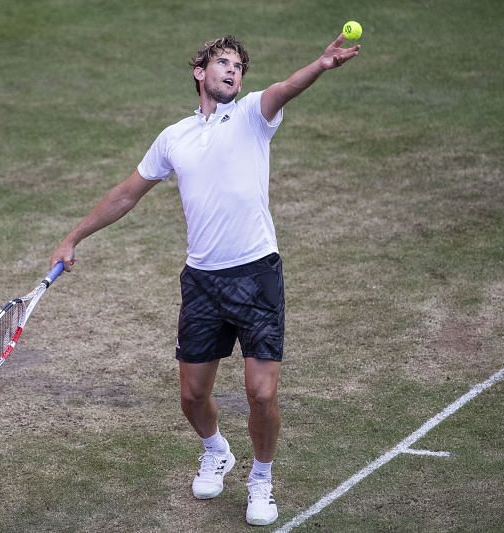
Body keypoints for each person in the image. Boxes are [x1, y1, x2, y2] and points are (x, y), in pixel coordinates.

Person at [50, 33, 360, 526]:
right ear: (200, 72)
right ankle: (216, 450)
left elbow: (285, 88)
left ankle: (261, 478)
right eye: (222, 63)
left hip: (257, 275)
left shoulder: (255, 115)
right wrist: (73, 237)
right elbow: (126, 194)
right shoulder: (174, 137)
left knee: (261, 393)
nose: (233, 71)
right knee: (192, 396)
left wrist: (320, 65)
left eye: (238, 66)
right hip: (202, 282)